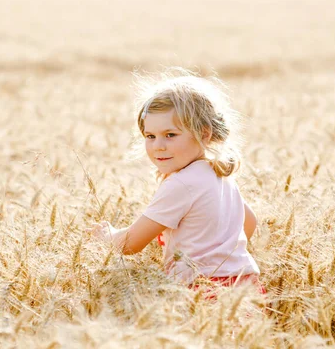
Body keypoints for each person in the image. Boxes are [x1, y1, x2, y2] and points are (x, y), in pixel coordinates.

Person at [89, 71, 264, 293]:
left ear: (204, 134)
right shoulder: (218, 173)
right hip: (247, 286)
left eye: (170, 135)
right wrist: (224, 253)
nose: (158, 146)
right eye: (150, 136)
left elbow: (130, 244)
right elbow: (249, 222)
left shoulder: (181, 184)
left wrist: (108, 235)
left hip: (202, 291)